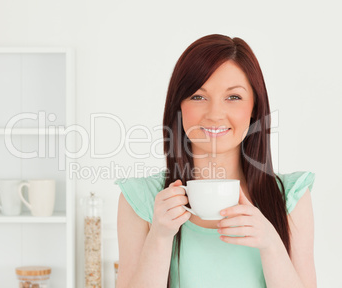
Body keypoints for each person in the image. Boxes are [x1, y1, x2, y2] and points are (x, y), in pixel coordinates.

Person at [114, 34, 316, 288]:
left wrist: (271, 244)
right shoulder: (142, 199)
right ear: (179, 106)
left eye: (233, 97)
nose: (215, 114)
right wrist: (160, 236)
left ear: (255, 106)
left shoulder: (290, 197)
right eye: (198, 96)